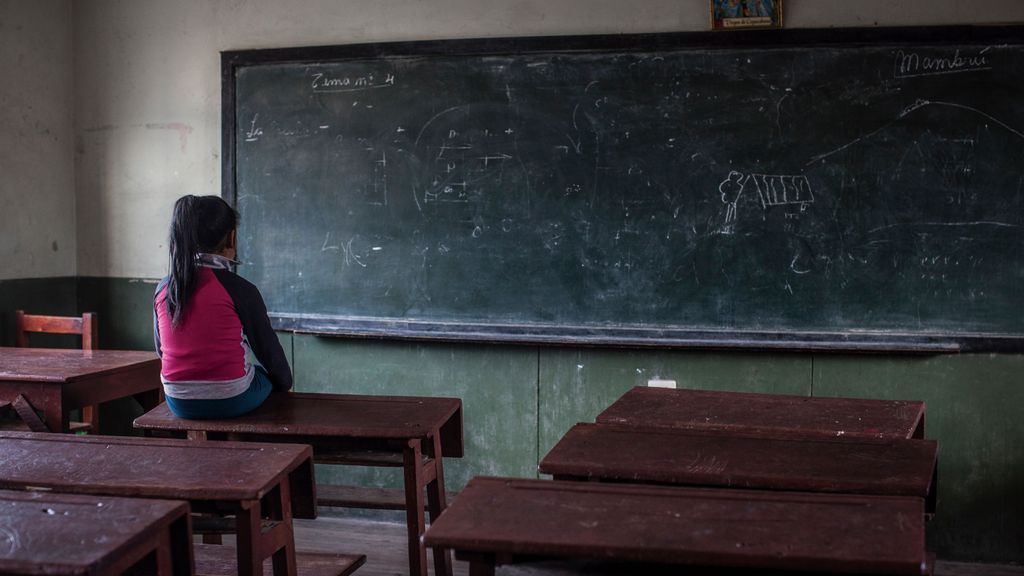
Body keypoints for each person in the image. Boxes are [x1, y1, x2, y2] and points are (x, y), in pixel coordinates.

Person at [153, 194, 292, 419]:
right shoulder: (240, 289)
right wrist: (285, 384)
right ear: (232, 238)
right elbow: (269, 353)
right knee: (262, 376)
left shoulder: (164, 287)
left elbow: (161, 349)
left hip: (178, 402)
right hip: (231, 399)